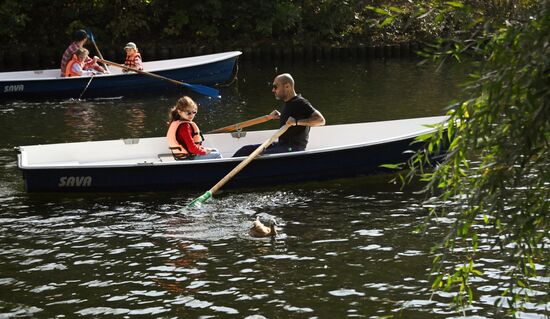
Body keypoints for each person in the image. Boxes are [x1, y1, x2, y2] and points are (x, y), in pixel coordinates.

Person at [232, 73, 325, 157]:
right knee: (245, 150)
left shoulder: (301, 102)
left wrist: (296, 122)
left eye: (275, 87)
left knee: (259, 155)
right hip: (282, 145)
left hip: (293, 148)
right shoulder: (289, 103)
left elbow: (321, 120)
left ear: (287, 86)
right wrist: (281, 116)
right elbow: (292, 119)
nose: (273, 90)